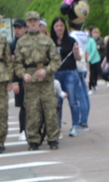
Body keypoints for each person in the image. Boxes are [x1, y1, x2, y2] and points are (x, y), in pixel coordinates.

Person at [14, 12, 61, 150]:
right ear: (27, 23)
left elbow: (56, 60)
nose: (33, 23)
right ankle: (33, 140)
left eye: (35, 21)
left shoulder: (47, 40)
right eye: (30, 21)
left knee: (50, 110)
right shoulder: (21, 42)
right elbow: (17, 63)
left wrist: (47, 70)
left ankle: (53, 139)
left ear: (39, 22)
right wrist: (23, 74)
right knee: (32, 111)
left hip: (45, 80)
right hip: (31, 81)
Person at [50, 17, 84, 138]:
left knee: (73, 101)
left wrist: (75, 51)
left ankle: (75, 126)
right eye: (57, 26)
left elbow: (78, 58)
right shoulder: (50, 41)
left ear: (65, 27)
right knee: (57, 102)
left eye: (61, 25)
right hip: (55, 73)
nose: (59, 28)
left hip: (69, 72)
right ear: (53, 28)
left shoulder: (71, 40)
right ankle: (57, 127)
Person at [0, 10, 13, 153]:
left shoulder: (1, 39)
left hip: (1, 78)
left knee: (1, 111)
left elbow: (8, 60)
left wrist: (10, 79)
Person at [10, 18, 27, 140]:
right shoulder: (12, 45)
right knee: (23, 105)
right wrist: (14, 81)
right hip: (19, 78)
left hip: (32, 77)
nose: (17, 30)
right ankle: (22, 130)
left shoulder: (30, 41)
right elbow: (12, 66)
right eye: (15, 28)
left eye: (19, 28)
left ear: (25, 29)